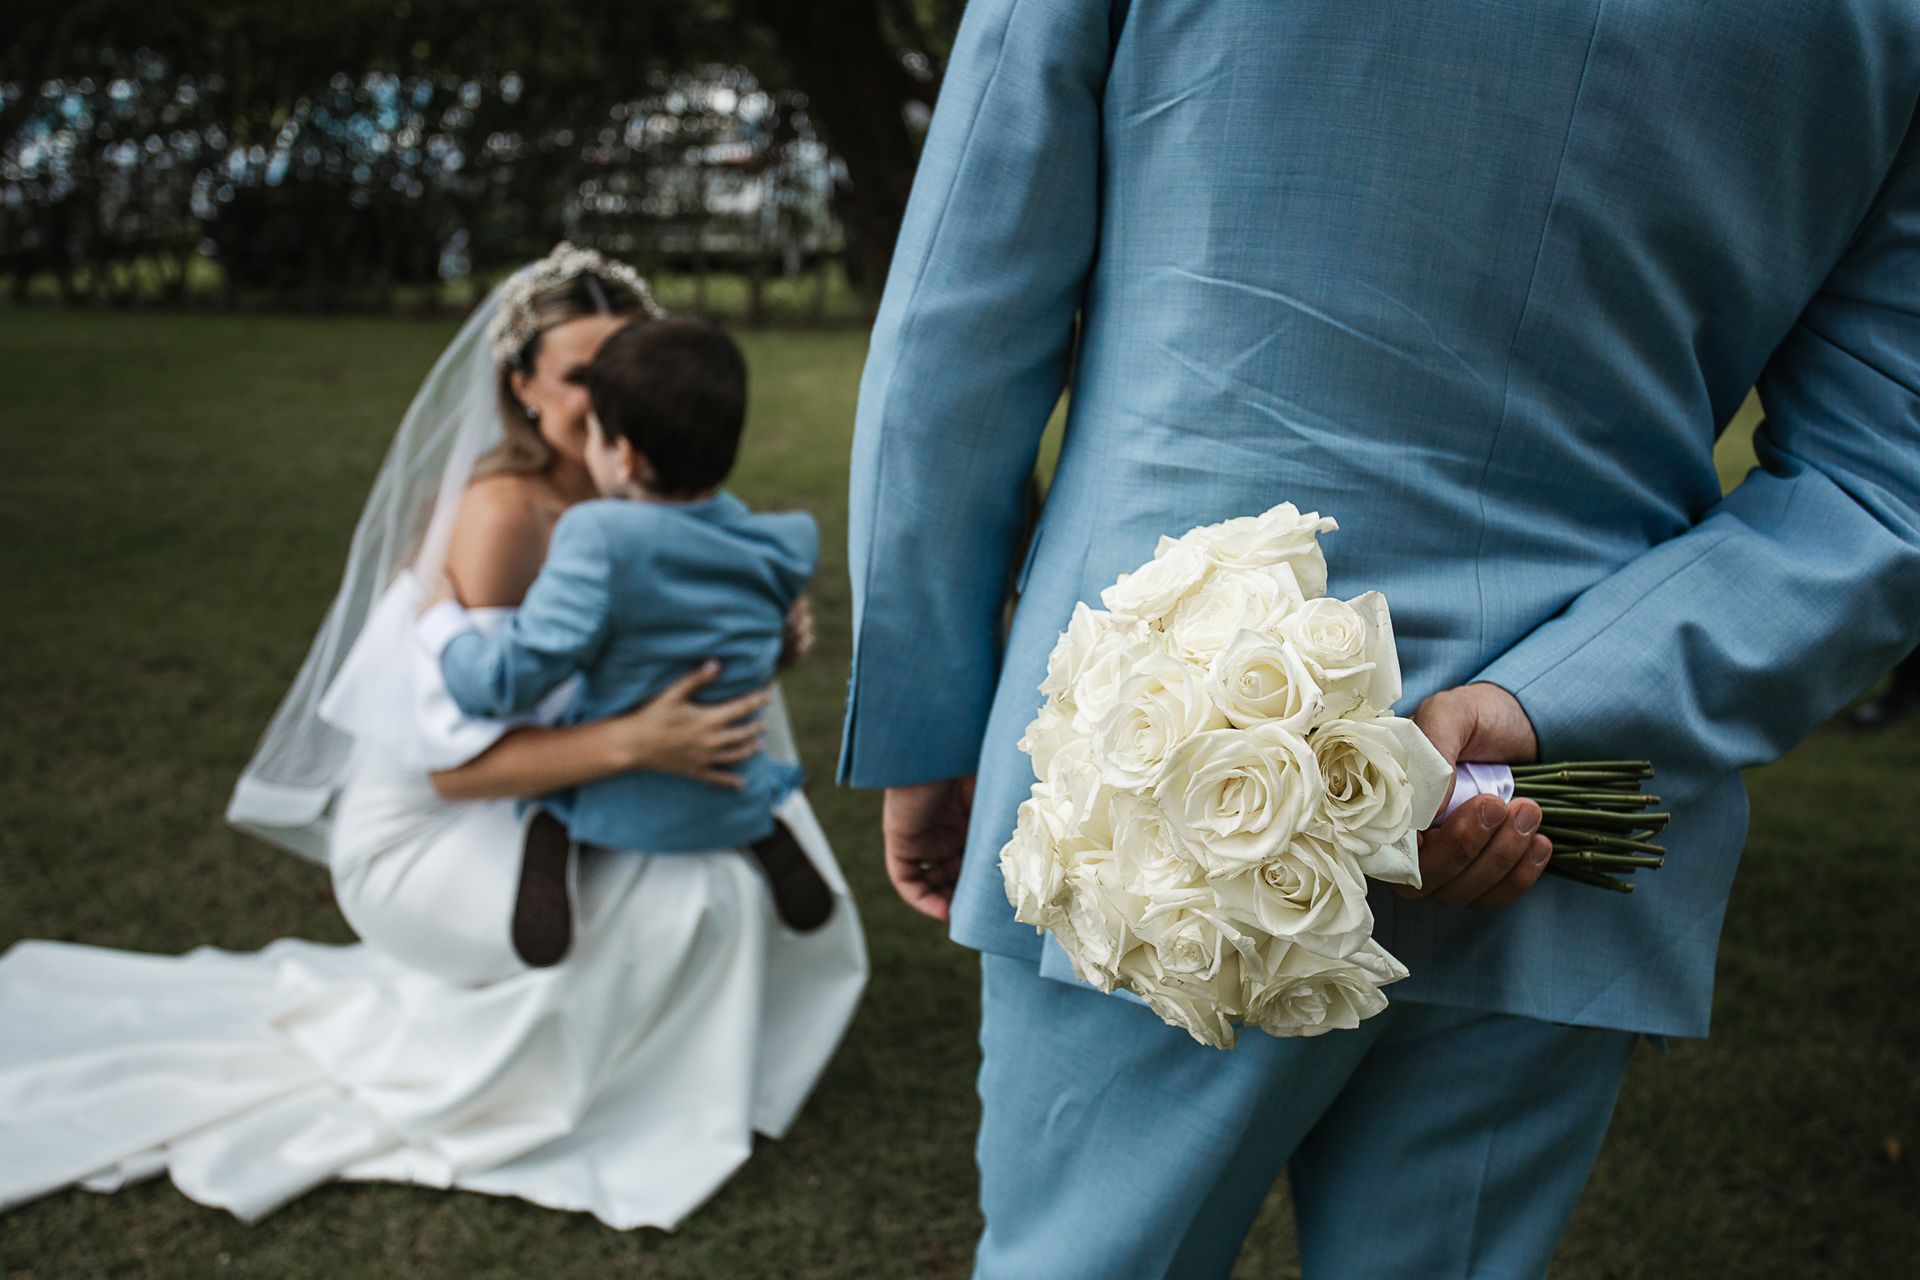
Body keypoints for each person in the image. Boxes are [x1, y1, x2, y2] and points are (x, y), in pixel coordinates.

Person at [839, 3, 1920, 1277]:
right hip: (1555, 811)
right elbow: (1882, 484)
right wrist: (1555, 700)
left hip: (1148, 769)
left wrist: (931, 708)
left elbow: (958, 317)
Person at [0, 243, 868, 1230]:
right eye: (580, 373)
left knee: (721, 846)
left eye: (622, 363)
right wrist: (640, 745)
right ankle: (586, 1097)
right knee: (679, 887)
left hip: (558, 787)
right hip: (433, 818)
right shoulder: (506, 516)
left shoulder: (633, 492)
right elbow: (457, 764)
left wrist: (772, 636)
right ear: (523, 387)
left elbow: (687, 646)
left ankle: (688, 1069)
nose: (605, 393)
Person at [422, 315, 833, 965]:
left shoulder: (599, 537)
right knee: (750, 792)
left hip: (624, 803)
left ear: (626, 456)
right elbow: (752, 633)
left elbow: (504, 684)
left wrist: (442, 625)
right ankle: (770, 838)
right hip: (730, 792)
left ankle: (548, 867)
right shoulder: (784, 540)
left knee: (550, 809)